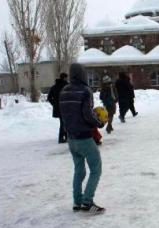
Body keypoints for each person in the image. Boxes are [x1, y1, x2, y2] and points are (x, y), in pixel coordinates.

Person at [59, 63, 105, 215]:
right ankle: (87, 202)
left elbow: (64, 115)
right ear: (82, 74)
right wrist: (99, 122)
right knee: (96, 169)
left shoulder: (64, 90)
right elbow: (87, 113)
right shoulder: (85, 91)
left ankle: (77, 202)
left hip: (71, 139)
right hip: (84, 137)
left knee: (79, 170)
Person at [47, 73, 69, 143]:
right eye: (66, 78)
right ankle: (62, 137)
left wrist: (54, 104)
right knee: (65, 123)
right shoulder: (67, 86)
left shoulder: (54, 86)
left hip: (58, 108)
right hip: (66, 107)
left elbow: (49, 97)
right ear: (65, 78)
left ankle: (64, 137)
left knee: (62, 122)